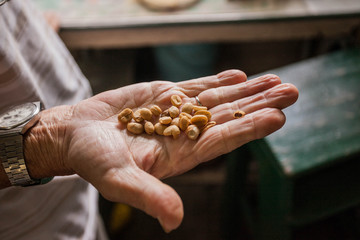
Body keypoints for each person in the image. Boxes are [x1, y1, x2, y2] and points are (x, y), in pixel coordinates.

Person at [0, 1, 299, 239]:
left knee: (88, 223)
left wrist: (20, 30)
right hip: (20, 216)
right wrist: (49, 144)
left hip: (60, 144)